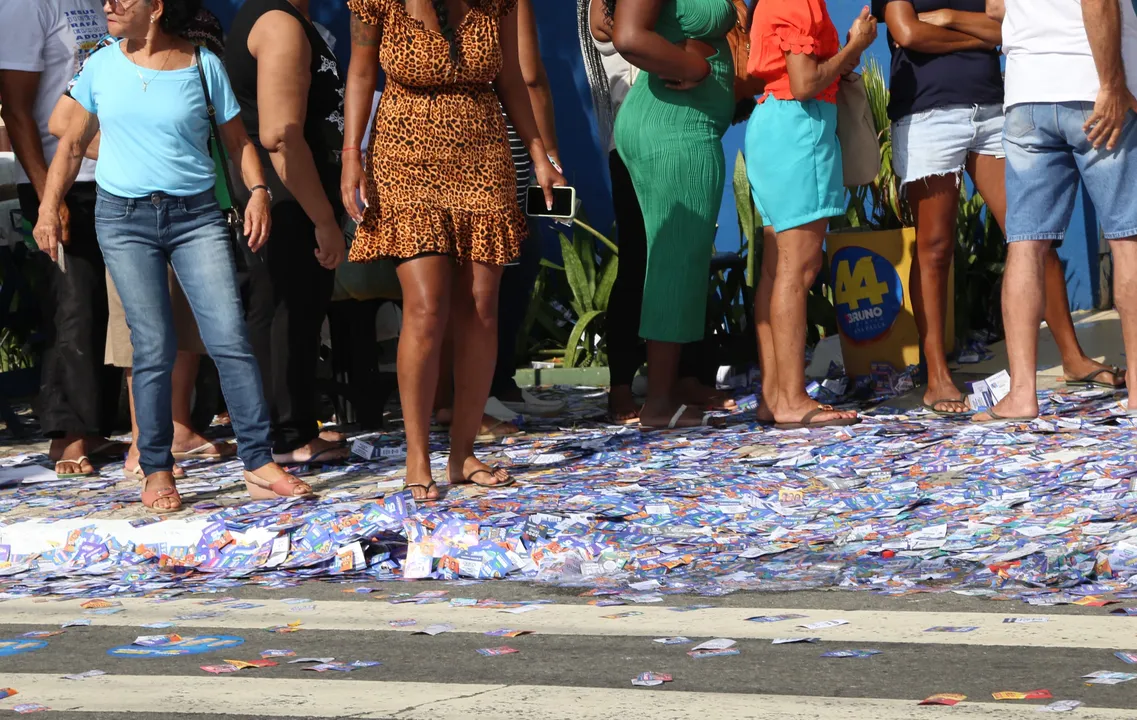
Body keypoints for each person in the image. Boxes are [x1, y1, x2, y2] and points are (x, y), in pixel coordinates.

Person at [33, 0, 312, 511]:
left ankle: (257, 462)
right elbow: (70, 142)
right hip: (124, 220)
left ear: (156, 8)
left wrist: (257, 191)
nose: (108, 5)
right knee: (153, 345)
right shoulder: (98, 64)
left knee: (229, 337)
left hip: (196, 216)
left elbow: (236, 140)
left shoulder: (202, 64)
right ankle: (157, 468)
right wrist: (49, 207)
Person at [342, 0, 565, 501]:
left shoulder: (496, 3)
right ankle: (417, 453)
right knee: (426, 305)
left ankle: (462, 452)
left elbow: (510, 79)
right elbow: (360, 75)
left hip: (483, 150)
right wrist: (351, 156)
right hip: (404, 152)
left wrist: (539, 155)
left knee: (482, 306)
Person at [875, 0, 1125, 417]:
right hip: (927, 114)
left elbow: (1006, 31)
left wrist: (951, 21)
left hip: (994, 109)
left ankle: (1073, 356)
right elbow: (908, 33)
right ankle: (937, 374)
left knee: (1031, 234)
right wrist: (974, 39)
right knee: (934, 248)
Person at [47, 8, 237, 480]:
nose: (112, 4)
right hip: (124, 201)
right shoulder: (107, 53)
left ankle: (175, 427)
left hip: (191, 201)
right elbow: (61, 125)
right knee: (143, 333)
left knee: (192, 323)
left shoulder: (200, 35)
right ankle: (142, 445)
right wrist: (133, 149)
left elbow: (227, 130)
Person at [977, 0, 1137, 421]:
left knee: (1025, 245)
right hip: (1091, 87)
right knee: (1127, 238)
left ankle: (1022, 395)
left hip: (1027, 94)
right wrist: (1112, 82)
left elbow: (995, 8)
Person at [582, 0, 736, 425]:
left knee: (674, 261)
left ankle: (669, 392)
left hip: (681, 122)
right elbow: (626, 34)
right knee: (670, 262)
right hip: (673, 125)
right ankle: (659, 403)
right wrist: (696, 68)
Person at [0, 0, 125, 479]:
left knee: (111, 305)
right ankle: (66, 434)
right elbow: (15, 107)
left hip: (116, 173)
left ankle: (96, 426)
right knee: (72, 303)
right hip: (61, 177)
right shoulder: (27, 6)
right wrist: (45, 193)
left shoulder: (105, 3)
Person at [224, 0, 351, 465]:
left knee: (294, 311)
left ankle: (289, 427)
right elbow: (280, 135)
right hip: (286, 197)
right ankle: (286, 436)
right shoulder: (278, 23)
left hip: (292, 195)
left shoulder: (288, 20)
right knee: (285, 311)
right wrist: (322, 218)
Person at [745, 0, 875, 429]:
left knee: (775, 269)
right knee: (796, 270)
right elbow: (805, 83)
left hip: (775, 127)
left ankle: (775, 397)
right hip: (798, 129)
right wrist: (854, 47)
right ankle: (793, 400)